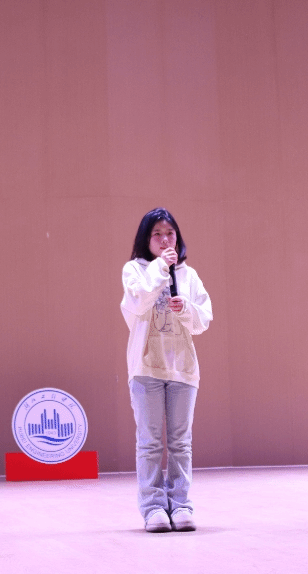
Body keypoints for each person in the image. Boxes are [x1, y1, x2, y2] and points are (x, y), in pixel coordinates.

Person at [120, 208, 212, 533]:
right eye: (157, 234)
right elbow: (139, 302)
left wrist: (185, 308)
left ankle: (181, 505)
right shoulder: (135, 270)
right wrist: (160, 266)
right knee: (150, 442)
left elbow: (203, 320)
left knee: (180, 443)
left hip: (182, 370)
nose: (164, 240)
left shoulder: (189, 275)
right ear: (146, 239)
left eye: (170, 233)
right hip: (146, 367)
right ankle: (153, 508)